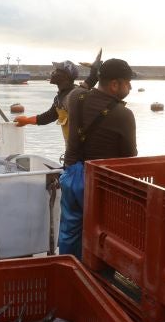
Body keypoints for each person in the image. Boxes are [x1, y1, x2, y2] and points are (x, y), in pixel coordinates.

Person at [58, 58, 137, 259]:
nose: (130, 87)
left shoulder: (76, 97)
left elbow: (80, 89)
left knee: (69, 231)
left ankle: (69, 267)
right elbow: (130, 156)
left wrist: (93, 75)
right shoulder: (124, 115)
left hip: (71, 175)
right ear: (114, 84)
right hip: (100, 184)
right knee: (102, 234)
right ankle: (97, 278)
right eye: (127, 82)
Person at [13, 57, 101, 140]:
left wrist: (94, 71)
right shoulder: (59, 99)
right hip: (74, 150)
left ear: (65, 76)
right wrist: (26, 121)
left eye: (56, 71)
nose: (52, 73)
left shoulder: (74, 95)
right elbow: (48, 116)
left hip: (85, 150)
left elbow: (87, 85)